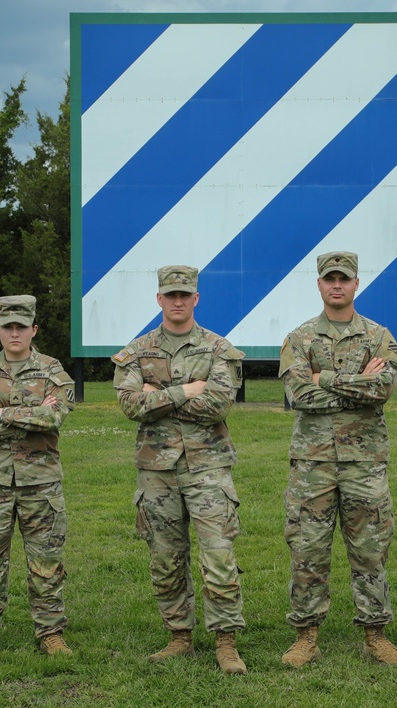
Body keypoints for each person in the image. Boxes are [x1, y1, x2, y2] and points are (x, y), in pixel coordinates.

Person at [112, 265, 248, 675]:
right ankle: (179, 637)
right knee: (165, 558)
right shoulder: (136, 351)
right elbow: (130, 405)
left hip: (208, 467)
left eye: (184, 295)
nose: (177, 301)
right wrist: (188, 389)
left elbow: (219, 405)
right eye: (170, 294)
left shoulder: (219, 348)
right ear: (159, 299)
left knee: (219, 555)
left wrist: (160, 395)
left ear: (196, 299)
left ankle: (226, 641)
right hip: (156, 470)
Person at [277, 251, 397, 668]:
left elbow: (382, 391)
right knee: (308, 550)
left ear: (355, 284)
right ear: (319, 285)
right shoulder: (298, 339)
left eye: (344, 279)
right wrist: (355, 382)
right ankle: (306, 636)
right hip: (312, 463)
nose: (337, 285)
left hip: (364, 462)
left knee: (370, 550)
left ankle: (375, 634)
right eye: (329, 279)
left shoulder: (378, 336)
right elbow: (299, 396)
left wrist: (324, 378)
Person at [0, 295, 76, 659]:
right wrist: (29, 413)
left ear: (33, 330)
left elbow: (54, 418)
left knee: (46, 560)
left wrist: (0, 412)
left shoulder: (53, 370)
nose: (14, 333)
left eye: (21, 327)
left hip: (40, 482)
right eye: (7, 327)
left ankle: (50, 632)